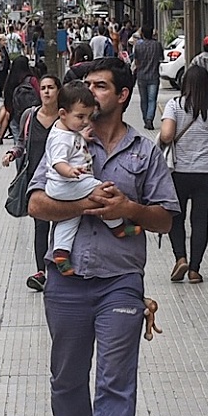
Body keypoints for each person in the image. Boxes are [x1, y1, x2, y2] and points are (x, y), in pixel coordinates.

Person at [27, 58, 178, 416]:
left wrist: (128, 208)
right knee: (68, 376)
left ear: (123, 95)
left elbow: (166, 218)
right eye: (86, 86)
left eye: (100, 86)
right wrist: (81, 205)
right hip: (67, 281)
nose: (90, 93)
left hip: (121, 281)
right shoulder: (65, 142)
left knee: (116, 379)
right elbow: (35, 203)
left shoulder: (143, 152)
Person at [158, 65, 208, 285]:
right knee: (200, 220)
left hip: (178, 174)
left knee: (176, 217)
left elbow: (166, 135)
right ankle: (195, 270)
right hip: (206, 173)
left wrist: (166, 123)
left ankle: (180, 257)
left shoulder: (175, 105)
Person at [41, 81, 129, 275]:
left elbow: (73, 141)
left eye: (88, 117)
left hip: (64, 187)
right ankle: (117, 226)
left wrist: (82, 136)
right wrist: (69, 171)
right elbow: (57, 162)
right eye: (80, 117)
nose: (85, 122)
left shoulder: (68, 131)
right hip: (66, 183)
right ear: (63, 114)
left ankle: (61, 253)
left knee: (69, 218)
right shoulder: (59, 138)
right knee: (102, 192)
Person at [10, 71, 63, 292]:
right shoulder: (30, 116)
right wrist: (13, 152)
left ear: (58, 91)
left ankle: (60, 270)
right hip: (36, 181)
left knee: (61, 225)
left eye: (51, 87)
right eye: (43, 88)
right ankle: (41, 271)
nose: (47, 92)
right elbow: (22, 142)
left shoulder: (65, 117)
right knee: (40, 226)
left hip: (61, 181)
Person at [128, 28, 165, 129]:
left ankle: (145, 119)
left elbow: (136, 61)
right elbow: (161, 58)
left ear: (143, 34)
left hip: (141, 75)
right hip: (154, 75)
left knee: (144, 99)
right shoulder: (157, 45)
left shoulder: (139, 45)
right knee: (152, 99)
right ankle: (150, 119)